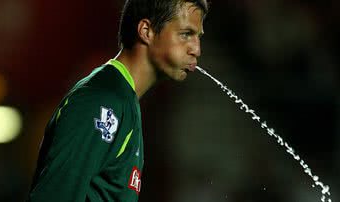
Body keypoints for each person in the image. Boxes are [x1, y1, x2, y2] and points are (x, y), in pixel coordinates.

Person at [26, 0, 209, 201]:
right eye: (186, 34)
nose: (196, 50)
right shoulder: (101, 100)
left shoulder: (126, 101)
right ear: (146, 31)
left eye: (198, 37)